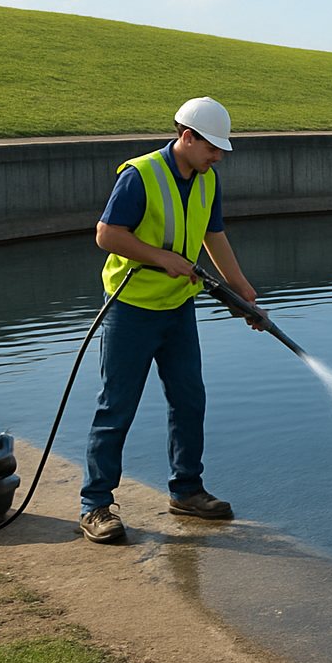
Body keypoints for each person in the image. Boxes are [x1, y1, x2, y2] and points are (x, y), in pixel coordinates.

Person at [79, 97, 262, 544]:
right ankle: (95, 504)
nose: (217, 156)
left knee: (189, 399)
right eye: (212, 148)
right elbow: (107, 235)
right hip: (132, 309)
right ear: (187, 137)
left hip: (179, 307)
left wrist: (240, 289)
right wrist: (161, 258)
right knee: (116, 405)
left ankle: (186, 491)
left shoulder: (206, 179)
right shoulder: (139, 176)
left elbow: (212, 234)